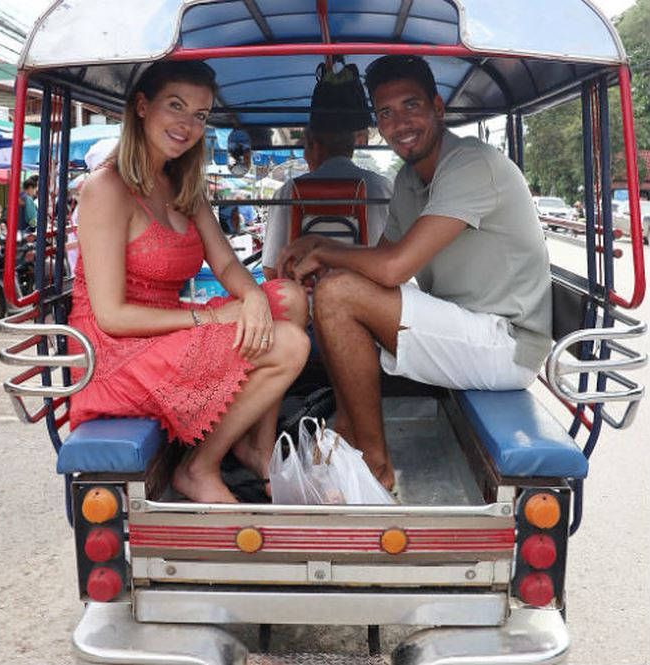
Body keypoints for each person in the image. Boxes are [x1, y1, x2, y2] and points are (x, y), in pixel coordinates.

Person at [277, 55, 552, 490]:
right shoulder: (409, 179)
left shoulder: (470, 165)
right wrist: (318, 249)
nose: (400, 123)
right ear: (377, 124)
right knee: (336, 287)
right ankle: (347, 429)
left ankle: (375, 466)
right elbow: (380, 258)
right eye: (386, 113)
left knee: (338, 293)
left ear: (437, 108)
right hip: (466, 328)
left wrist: (325, 250)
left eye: (411, 105)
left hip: (506, 344)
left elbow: (392, 269)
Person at [67, 60, 310, 504]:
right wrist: (212, 317)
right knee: (290, 344)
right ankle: (198, 468)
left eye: (199, 115)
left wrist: (252, 296)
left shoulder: (182, 185)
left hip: (168, 325)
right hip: (117, 349)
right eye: (175, 106)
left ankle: (256, 447)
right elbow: (111, 316)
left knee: (289, 298)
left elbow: (226, 263)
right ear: (143, 106)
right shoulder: (106, 188)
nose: (187, 125)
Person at [262, 127, 393, 281]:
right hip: (373, 293)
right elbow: (396, 262)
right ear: (353, 145)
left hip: (304, 294)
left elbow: (272, 270)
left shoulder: (287, 192)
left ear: (314, 144)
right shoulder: (383, 187)